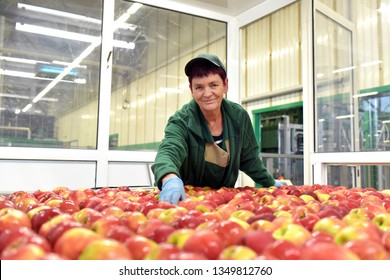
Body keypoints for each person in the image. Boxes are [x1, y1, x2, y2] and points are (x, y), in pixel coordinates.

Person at [151, 53, 287, 205]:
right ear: (191, 90)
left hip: (225, 201)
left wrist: (269, 182)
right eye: (199, 87)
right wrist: (170, 178)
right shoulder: (182, 121)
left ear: (225, 85)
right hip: (188, 201)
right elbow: (169, 149)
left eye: (214, 85)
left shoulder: (238, 117)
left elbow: (249, 158)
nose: (207, 94)